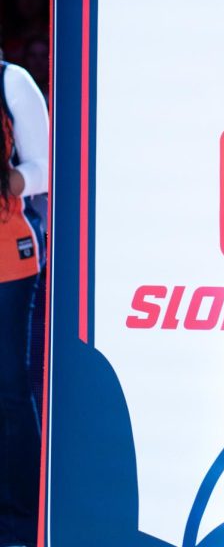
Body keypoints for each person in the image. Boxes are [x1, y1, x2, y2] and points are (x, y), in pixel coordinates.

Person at [0, 57, 48, 547]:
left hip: (7, 258)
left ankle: (18, 525)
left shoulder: (11, 80)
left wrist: (8, 180)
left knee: (9, 391)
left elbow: (49, 166)